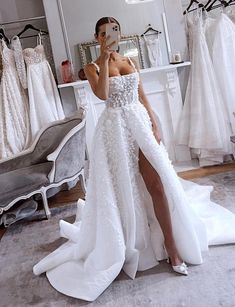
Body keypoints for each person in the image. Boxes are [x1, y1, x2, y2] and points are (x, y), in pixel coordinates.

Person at [33, 17, 235, 302]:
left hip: (138, 124)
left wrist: (154, 121)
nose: (108, 36)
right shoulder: (90, 68)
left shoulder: (129, 60)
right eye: (102, 33)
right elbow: (102, 94)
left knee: (157, 184)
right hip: (114, 131)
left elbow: (141, 95)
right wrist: (102, 59)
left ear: (119, 33)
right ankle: (130, 242)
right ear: (97, 36)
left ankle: (173, 246)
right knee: (123, 190)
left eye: (112, 31)